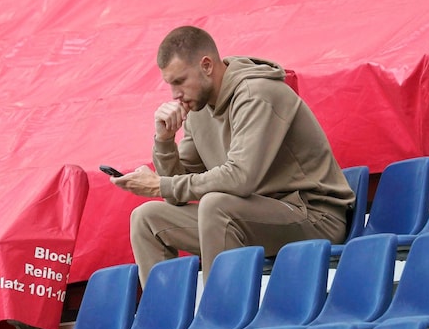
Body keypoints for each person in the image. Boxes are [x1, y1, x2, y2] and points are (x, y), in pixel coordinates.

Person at [112, 25, 355, 287]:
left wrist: (160, 184)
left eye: (180, 81)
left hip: (314, 217)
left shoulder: (257, 94)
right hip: (250, 215)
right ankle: (163, 322)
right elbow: (177, 190)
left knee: (216, 206)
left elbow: (241, 178)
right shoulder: (198, 109)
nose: (174, 94)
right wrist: (164, 141)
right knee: (146, 218)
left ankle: (219, 319)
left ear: (206, 65)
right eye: (170, 84)